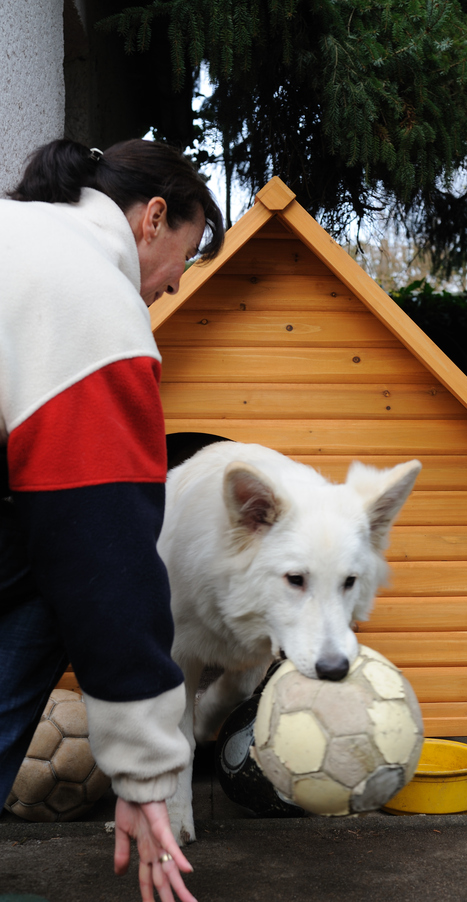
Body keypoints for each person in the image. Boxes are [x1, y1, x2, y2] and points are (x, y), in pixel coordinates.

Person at [0, 138, 225, 902]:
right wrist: (144, 769)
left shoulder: (15, 235)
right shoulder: (91, 297)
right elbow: (102, 548)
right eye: (184, 259)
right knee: (56, 566)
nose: (169, 289)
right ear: (152, 219)